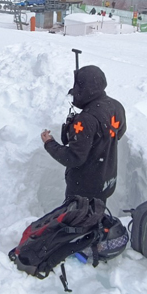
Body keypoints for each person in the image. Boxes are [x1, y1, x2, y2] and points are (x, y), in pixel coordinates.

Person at [41, 65, 126, 202]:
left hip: (84, 189)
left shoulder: (86, 119)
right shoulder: (116, 106)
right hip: (105, 181)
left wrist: (49, 143)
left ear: (84, 89)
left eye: (78, 88)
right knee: (96, 216)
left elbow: (74, 158)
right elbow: (119, 133)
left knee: (77, 220)